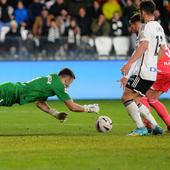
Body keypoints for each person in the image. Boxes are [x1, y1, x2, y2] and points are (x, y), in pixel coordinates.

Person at [121, 1, 167, 136]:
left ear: (142, 12)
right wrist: (153, 63)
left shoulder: (146, 27)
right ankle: (156, 127)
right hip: (152, 73)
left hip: (142, 71)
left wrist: (129, 64)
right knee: (136, 100)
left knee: (126, 97)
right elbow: (163, 50)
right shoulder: (159, 27)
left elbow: (144, 46)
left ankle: (140, 127)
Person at [0, 68, 99, 122]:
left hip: (10, 91)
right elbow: (72, 107)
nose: (69, 86)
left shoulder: (51, 80)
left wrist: (55, 113)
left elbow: (40, 103)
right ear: (66, 79)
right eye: (70, 83)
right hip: (9, 93)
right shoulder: (59, 85)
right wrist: (89, 108)